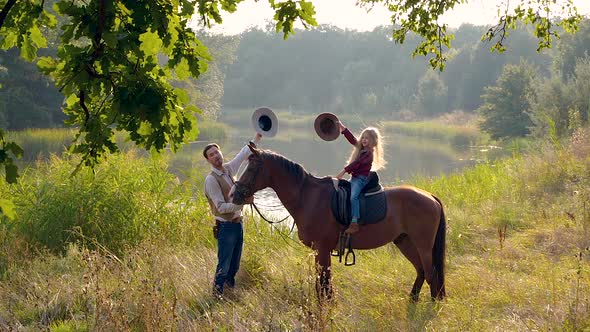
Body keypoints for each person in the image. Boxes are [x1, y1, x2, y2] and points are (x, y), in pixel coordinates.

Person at [203, 132, 262, 296]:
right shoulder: (211, 180)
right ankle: (217, 295)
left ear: (221, 153)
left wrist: (257, 137)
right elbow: (221, 207)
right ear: (208, 160)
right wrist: (243, 203)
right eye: (211, 155)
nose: (215, 156)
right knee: (224, 265)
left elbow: (244, 153)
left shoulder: (228, 168)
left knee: (234, 265)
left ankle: (229, 294)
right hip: (226, 227)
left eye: (216, 152)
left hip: (238, 225)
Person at [335, 121, 385, 234]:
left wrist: (342, 172)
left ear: (373, 142)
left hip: (360, 179)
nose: (364, 140)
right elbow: (353, 140)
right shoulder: (362, 149)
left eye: (367, 139)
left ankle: (354, 222)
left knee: (353, 197)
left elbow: (356, 164)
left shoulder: (368, 153)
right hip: (354, 177)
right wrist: (343, 130)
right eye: (363, 138)